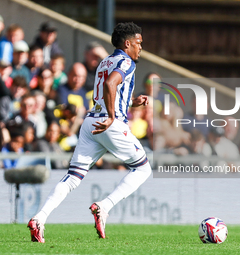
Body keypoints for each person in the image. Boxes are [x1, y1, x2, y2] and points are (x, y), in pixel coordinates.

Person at [28, 22, 151, 243]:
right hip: (109, 124)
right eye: (139, 43)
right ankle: (105, 206)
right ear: (128, 43)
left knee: (73, 177)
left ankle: (39, 218)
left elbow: (107, 91)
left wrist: (131, 102)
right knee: (143, 169)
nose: (140, 48)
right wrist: (113, 117)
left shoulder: (105, 61)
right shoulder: (127, 62)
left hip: (91, 123)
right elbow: (111, 85)